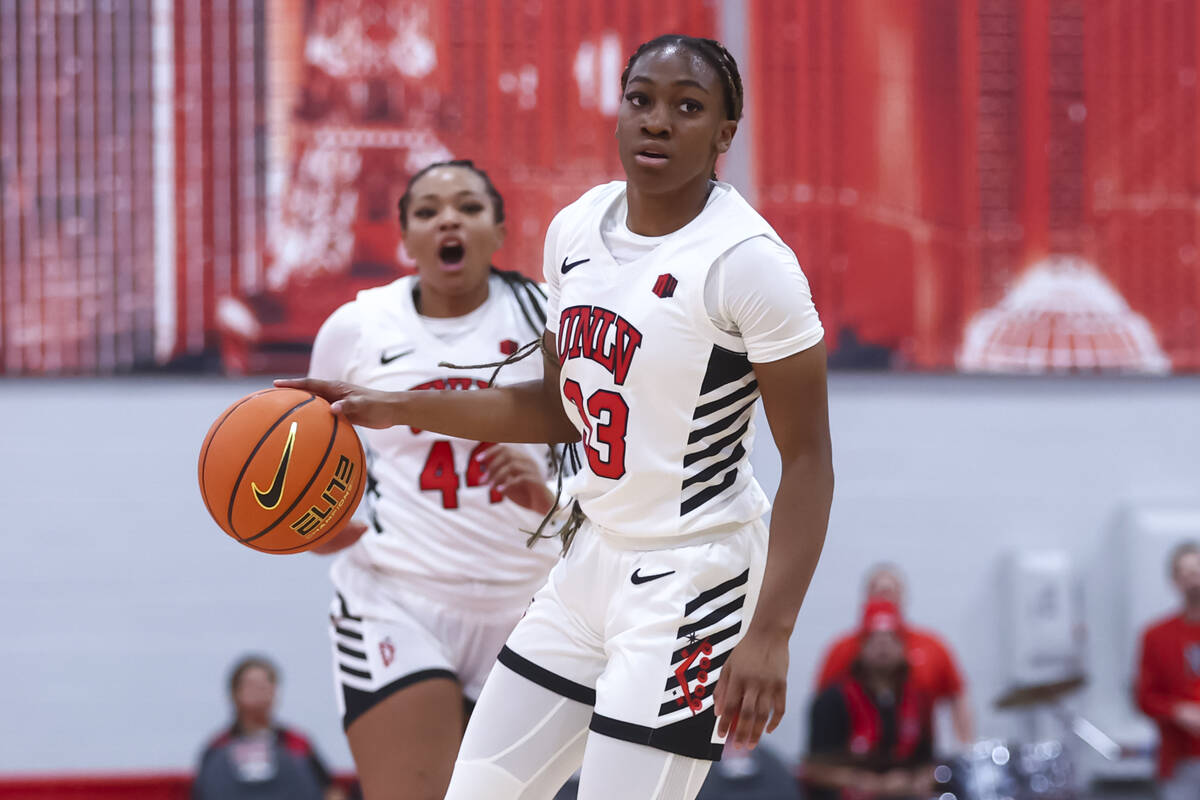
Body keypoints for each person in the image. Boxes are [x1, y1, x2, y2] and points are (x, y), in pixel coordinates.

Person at [278, 33, 834, 800]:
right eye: (641, 100)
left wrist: (771, 633)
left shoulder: (748, 263)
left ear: (723, 134)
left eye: (688, 106)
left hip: (693, 576)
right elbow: (555, 409)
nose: (658, 121)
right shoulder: (576, 231)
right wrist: (394, 406)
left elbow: (809, 463)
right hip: (586, 561)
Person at [303, 159, 566, 800]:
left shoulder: (548, 320)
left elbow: (609, 466)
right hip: (398, 596)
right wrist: (314, 527)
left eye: (469, 207)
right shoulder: (356, 329)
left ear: (499, 229)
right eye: (428, 210)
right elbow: (314, 462)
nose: (449, 218)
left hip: (531, 603)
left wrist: (547, 499)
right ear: (407, 238)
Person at [816, 563, 974, 746]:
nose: (884, 597)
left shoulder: (932, 646)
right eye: (877, 590)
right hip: (853, 756)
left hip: (914, 752)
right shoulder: (841, 649)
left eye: (890, 591)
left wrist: (964, 745)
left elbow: (957, 695)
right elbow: (822, 703)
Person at [803, 601, 935, 800]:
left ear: (903, 647)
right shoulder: (832, 700)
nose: (883, 644)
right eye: (874, 637)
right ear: (861, 646)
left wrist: (915, 782)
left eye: (891, 637)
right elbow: (813, 769)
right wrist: (876, 785)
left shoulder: (918, 699)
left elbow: (928, 763)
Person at [193, 655, 344, 800]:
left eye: (266, 685)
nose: (260, 692)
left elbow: (330, 791)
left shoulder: (298, 744)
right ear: (234, 693)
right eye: (252, 685)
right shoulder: (217, 747)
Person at [1136, 540, 1200, 800]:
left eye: (1195, 571)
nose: (1192, 581)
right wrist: (1178, 711)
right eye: (1183, 574)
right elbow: (1145, 697)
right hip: (1179, 758)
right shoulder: (1156, 635)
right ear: (1174, 581)